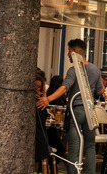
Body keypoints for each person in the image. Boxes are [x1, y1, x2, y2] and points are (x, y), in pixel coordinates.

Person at [36, 39, 103, 174]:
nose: (67, 54)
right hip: (90, 111)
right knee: (90, 146)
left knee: (74, 147)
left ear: (75, 51)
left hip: (76, 109)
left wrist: (48, 99)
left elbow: (64, 87)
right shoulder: (96, 70)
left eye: (69, 51)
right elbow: (100, 91)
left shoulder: (73, 70)